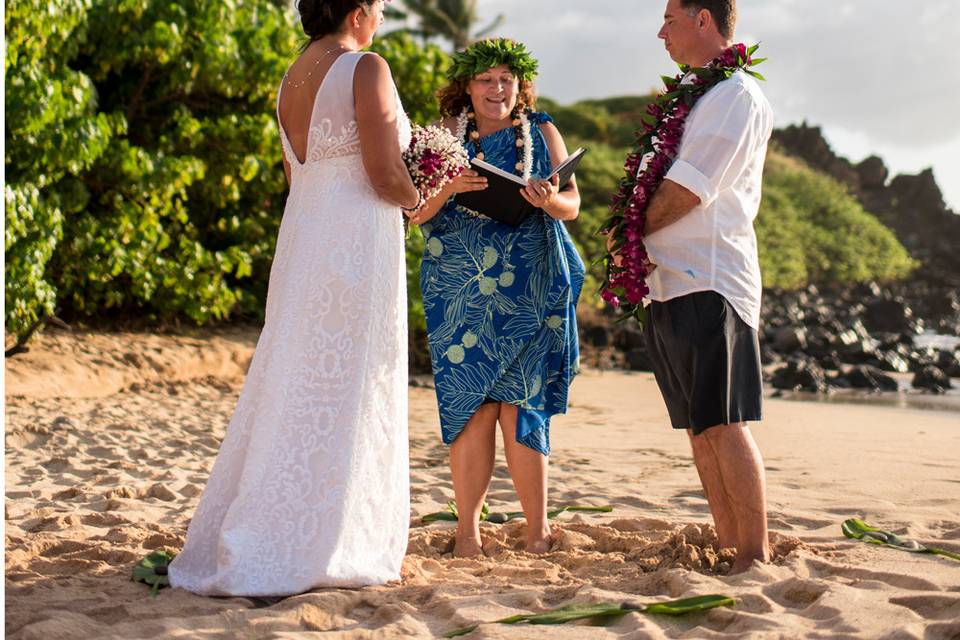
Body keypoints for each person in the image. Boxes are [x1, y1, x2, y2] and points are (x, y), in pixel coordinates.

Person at [168, 0, 421, 596]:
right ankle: (321, 539)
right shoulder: (366, 68)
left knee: (297, 376)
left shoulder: (293, 76)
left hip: (307, 233)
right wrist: (425, 200)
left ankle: (273, 522)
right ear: (358, 11)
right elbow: (385, 175)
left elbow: (297, 175)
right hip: (356, 239)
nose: (381, 17)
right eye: (380, 6)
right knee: (350, 378)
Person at [406, 39, 585, 557]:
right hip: (457, 284)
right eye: (485, 79)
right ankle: (467, 534)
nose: (497, 88)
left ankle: (538, 532)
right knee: (471, 406)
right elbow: (414, 210)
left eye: (506, 78)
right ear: (466, 86)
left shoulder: (542, 128)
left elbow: (572, 205)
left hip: (527, 283)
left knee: (521, 406)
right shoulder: (440, 138)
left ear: (519, 84)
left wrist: (550, 199)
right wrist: (450, 188)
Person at [641, 0, 773, 573]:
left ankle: (754, 553)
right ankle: (725, 544)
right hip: (666, 282)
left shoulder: (734, 95)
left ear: (703, 19)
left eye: (670, 18)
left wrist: (627, 232)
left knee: (724, 422)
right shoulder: (694, 97)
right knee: (699, 429)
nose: (660, 31)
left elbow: (689, 189)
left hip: (710, 279)